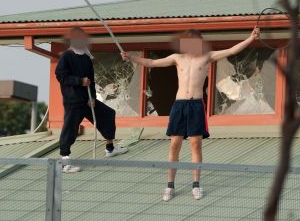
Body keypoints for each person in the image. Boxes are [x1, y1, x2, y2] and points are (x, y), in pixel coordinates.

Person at [121, 27, 260, 201]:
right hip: (179, 105)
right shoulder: (177, 58)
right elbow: (151, 63)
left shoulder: (206, 57)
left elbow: (231, 50)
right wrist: (131, 58)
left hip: (196, 105)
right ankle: (170, 186)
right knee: (174, 145)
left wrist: (251, 38)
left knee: (196, 145)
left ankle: (196, 185)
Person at [56, 27, 128, 173]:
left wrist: (93, 97)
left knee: (107, 114)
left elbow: (92, 81)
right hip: (73, 100)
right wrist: (79, 81)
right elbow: (61, 76)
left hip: (87, 99)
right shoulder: (66, 56)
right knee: (70, 128)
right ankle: (65, 160)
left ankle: (110, 148)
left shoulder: (86, 58)